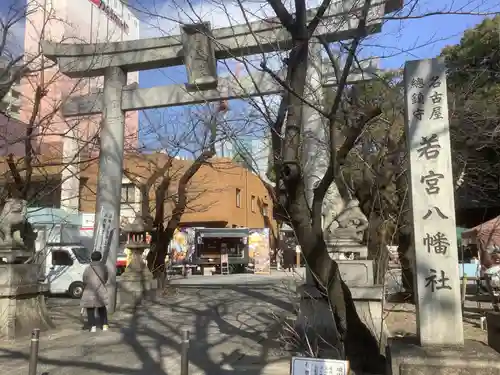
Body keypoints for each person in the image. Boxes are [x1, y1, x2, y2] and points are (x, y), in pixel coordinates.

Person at [80, 251, 109, 332]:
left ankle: (93, 326)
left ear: (91, 258)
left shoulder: (88, 269)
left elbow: (84, 279)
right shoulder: (104, 267)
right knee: (102, 308)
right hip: (101, 289)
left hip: (90, 290)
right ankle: (105, 325)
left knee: (90, 308)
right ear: (100, 258)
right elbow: (106, 278)